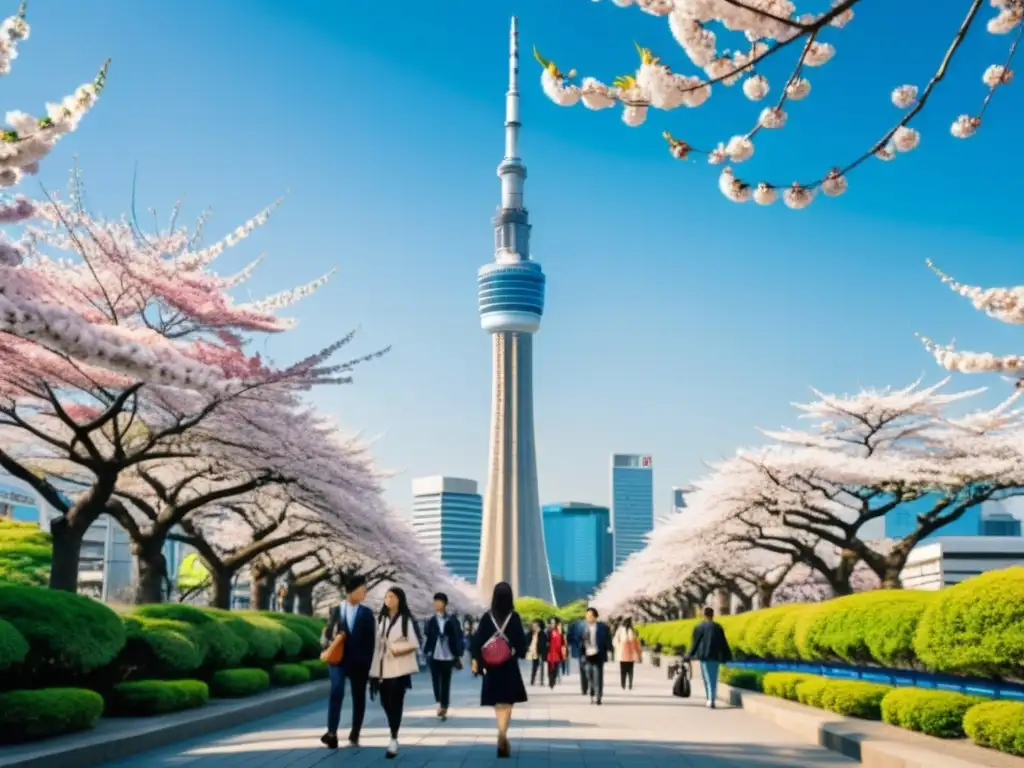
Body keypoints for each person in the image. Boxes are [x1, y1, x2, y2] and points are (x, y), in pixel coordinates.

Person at [471, 581, 527, 759]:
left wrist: (477, 661)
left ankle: (501, 733)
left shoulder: (487, 617)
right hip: (509, 666)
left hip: (492, 667)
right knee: (507, 704)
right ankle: (502, 735)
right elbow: (521, 644)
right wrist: (515, 651)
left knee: (498, 705)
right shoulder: (515, 617)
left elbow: (477, 642)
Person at [321, 574, 376, 749]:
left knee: (359, 697)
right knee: (336, 692)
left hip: (359, 662)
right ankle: (332, 733)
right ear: (350, 592)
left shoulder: (367, 613)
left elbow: (371, 641)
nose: (364, 594)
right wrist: (329, 644)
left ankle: (355, 731)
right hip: (338, 660)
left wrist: (370, 664)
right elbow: (328, 633)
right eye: (361, 590)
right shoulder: (336, 610)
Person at [371, 586, 421, 759]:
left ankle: (393, 736)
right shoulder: (381, 619)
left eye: (392, 596)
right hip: (383, 667)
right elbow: (377, 644)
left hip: (399, 668)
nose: (389, 600)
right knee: (385, 702)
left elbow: (414, 643)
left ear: (399, 599)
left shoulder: (406, 619)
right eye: (386, 596)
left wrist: (397, 648)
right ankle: (393, 731)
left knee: (396, 701)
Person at [422, 591, 465, 721]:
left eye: (439, 601)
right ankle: (440, 701)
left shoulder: (452, 620)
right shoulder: (430, 620)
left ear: (445, 604)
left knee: (446, 681)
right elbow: (427, 636)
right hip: (434, 655)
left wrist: (458, 653)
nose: (436, 604)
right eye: (435, 601)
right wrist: (426, 651)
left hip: (448, 655)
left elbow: (458, 636)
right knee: (436, 681)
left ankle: (444, 706)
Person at [685, 606, 733, 709]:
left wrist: (689, 655)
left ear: (704, 615)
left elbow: (695, 643)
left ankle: (710, 699)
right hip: (715, 656)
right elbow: (723, 642)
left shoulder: (699, 627)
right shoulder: (718, 627)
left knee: (707, 678)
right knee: (712, 678)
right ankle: (710, 698)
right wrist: (727, 656)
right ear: (712, 615)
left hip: (704, 656)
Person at [581, 607, 612, 705]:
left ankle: (598, 696)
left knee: (598, 676)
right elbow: (580, 641)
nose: (588, 617)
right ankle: (592, 691)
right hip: (587, 654)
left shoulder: (603, 627)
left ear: (595, 617)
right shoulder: (583, 627)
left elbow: (608, 641)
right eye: (587, 616)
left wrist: (610, 651)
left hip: (598, 654)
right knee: (588, 674)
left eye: (590, 616)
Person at [613, 617, 642, 690]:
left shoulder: (632, 630)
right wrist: (619, 646)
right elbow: (616, 640)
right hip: (623, 651)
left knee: (629, 669)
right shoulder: (620, 630)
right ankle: (624, 684)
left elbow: (636, 641)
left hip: (630, 651)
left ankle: (629, 684)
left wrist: (637, 651)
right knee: (625, 669)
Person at [526, 620, 548, 686]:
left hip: (541, 652)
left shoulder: (542, 633)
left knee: (542, 667)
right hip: (534, 652)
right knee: (534, 667)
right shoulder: (530, 633)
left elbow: (545, 642)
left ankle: (541, 681)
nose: (533, 627)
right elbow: (526, 641)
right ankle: (532, 680)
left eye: (535, 626)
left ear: (538, 627)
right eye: (533, 626)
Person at [545, 617, 564, 689]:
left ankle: (553, 680)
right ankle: (551, 682)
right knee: (550, 668)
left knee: (555, 668)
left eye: (554, 623)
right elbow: (545, 642)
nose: (553, 624)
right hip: (550, 653)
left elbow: (562, 642)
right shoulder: (548, 631)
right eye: (551, 623)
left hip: (557, 653)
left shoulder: (559, 631)